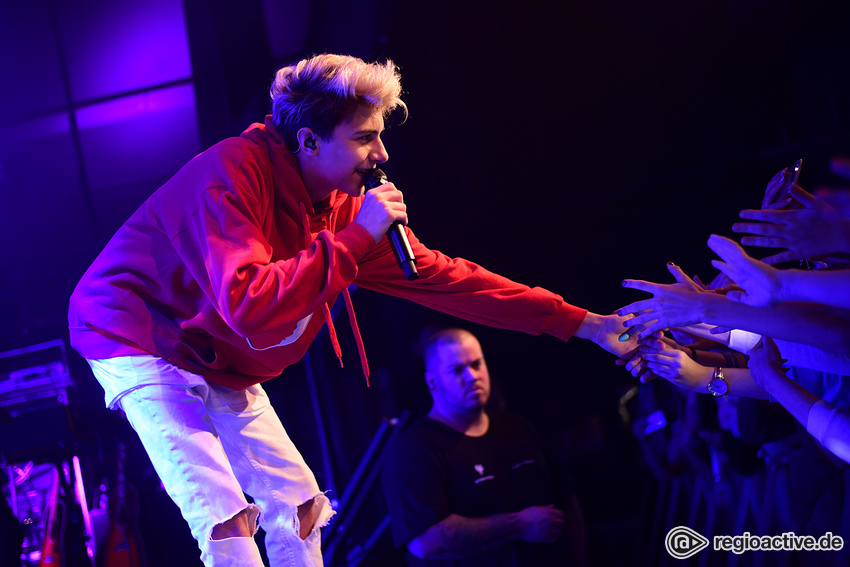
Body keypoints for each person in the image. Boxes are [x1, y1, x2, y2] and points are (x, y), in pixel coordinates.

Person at [68, 54, 633, 566]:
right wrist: (358, 236)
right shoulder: (230, 176)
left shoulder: (338, 212)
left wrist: (584, 324)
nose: (382, 155)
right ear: (310, 141)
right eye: (365, 138)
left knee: (302, 507)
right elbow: (250, 304)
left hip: (216, 352)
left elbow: (453, 281)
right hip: (136, 333)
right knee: (225, 516)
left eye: (380, 137)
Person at [381, 328, 588, 566]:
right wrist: (519, 525)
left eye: (477, 364)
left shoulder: (516, 427)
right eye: (457, 370)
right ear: (433, 382)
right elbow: (426, 541)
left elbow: (568, 502)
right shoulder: (414, 450)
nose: (472, 376)